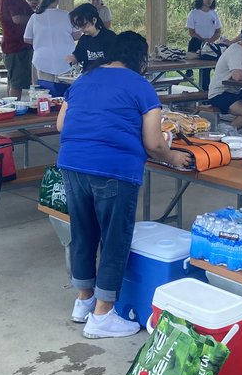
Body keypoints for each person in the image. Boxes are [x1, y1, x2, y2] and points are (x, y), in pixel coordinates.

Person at [56, 31, 194, 338]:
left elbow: (61, 125)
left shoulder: (82, 80)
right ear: (140, 59)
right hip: (114, 169)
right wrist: (173, 157)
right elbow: (154, 143)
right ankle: (103, 315)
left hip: (72, 164)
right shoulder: (141, 87)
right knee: (114, 239)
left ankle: (84, 301)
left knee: (84, 233)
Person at [23, 0, 73, 95]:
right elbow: (77, 34)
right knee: (65, 93)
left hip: (42, 58)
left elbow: (27, 39)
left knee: (42, 93)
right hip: (65, 59)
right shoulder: (66, 15)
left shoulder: (35, 16)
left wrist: (40, 42)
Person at [0, 0, 35, 93]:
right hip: (17, 47)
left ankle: (12, 107)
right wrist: (36, 18)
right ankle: (14, 109)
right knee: (17, 84)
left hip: (15, 47)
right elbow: (17, 19)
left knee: (14, 82)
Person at [185, 0, 223, 91]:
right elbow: (192, 32)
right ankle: (189, 71)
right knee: (193, 42)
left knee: (207, 68)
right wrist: (203, 40)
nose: (209, 0)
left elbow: (218, 31)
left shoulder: (214, 14)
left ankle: (207, 91)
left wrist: (210, 40)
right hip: (198, 42)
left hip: (210, 44)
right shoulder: (194, 13)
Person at [67, 3, 116, 73]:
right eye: (78, 26)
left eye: (83, 25)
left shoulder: (110, 37)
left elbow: (115, 62)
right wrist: (73, 59)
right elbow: (78, 57)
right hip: (88, 77)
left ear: (94, 20)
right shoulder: (83, 39)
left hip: (106, 77)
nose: (81, 29)